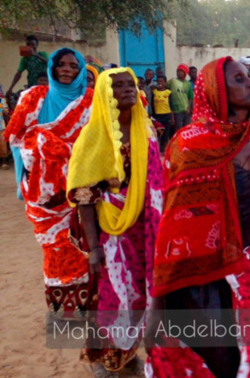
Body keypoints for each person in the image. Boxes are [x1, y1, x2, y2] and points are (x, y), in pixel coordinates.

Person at [147, 57, 250, 377]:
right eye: (239, 80)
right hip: (204, 279)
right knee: (220, 360)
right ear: (216, 91)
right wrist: (157, 304)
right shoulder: (190, 146)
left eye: (249, 77)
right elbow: (173, 228)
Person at [66, 67, 161, 377]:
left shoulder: (146, 130)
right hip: (112, 231)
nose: (127, 89)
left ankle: (129, 355)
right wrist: (94, 248)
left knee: (141, 294)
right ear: (105, 94)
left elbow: (157, 180)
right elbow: (84, 195)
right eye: (118, 85)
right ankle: (104, 359)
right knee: (111, 295)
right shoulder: (94, 135)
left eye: (130, 84)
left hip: (146, 229)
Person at [4, 48, 92, 319]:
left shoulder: (90, 102)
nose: (67, 69)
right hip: (41, 196)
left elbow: (95, 146)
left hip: (79, 191)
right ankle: (64, 312)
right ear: (52, 67)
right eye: (61, 64)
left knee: (83, 248)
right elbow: (15, 139)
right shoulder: (33, 98)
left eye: (73, 66)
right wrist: (24, 181)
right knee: (55, 251)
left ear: (80, 71)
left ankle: (84, 309)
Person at [168, 64, 192, 136]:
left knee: (186, 129)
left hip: (186, 110)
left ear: (185, 73)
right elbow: (164, 87)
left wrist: (189, 108)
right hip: (176, 110)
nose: (179, 72)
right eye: (178, 71)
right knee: (178, 129)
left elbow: (190, 97)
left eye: (181, 71)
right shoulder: (173, 81)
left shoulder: (188, 84)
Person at [152, 76, 172, 151]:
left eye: (162, 81)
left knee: (166, 133)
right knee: (158, 133)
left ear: (165, 83)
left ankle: (164, 149)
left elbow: (171, 105)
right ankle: (157, 149)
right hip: (157, 115)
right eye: (158, 81)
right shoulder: (154, 92)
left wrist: (172, 117)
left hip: (166, 115)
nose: (160, 83)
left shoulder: (168, 92)